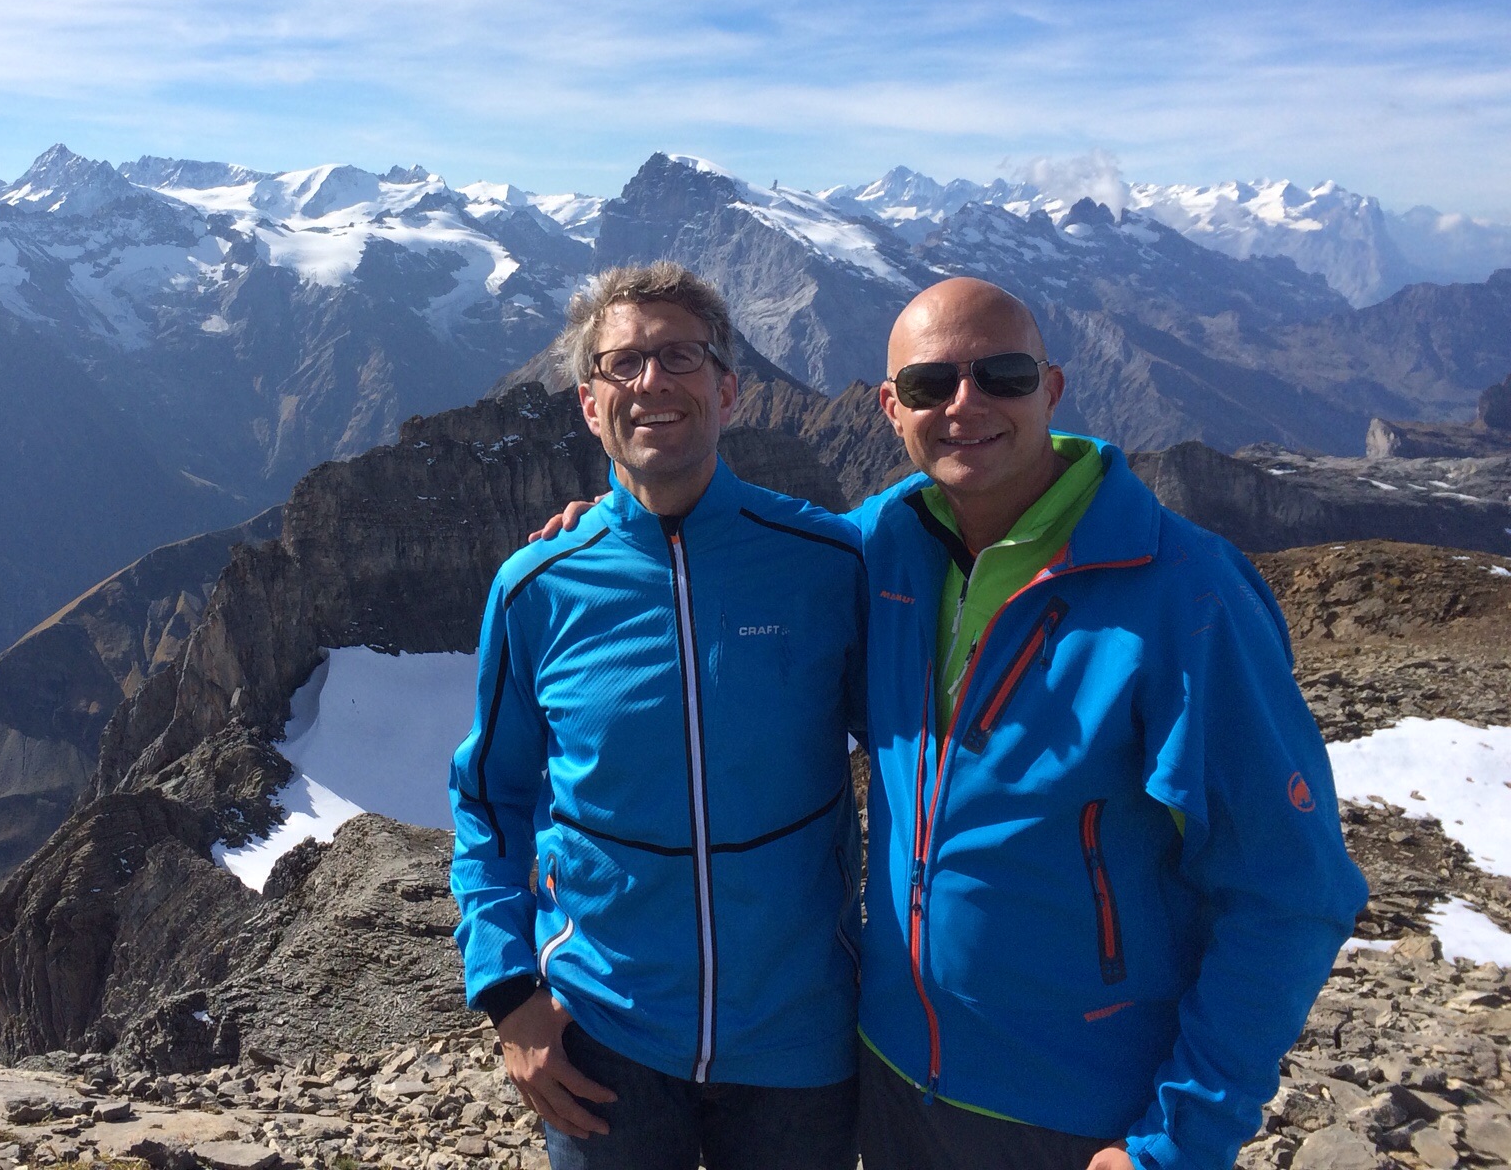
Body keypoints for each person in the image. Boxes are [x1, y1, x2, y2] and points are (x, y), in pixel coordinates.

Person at [531, 275, 1367, 1170]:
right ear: (891, 408)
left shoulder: (1189, 595)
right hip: (892, 1078)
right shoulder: (877, 546)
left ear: (1052, 387)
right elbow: (741, 568)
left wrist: (1179, 1138)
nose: (965, 405)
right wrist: (622, 532)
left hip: (1082, 1109)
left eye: (1001, 375)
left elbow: (1289, 889)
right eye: (931, 387)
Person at [449, 261, 867, 1170]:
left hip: (798, 1035)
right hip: (604, 1038)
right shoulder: (535, 590)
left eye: (679, 356)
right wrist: (507, 993)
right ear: (590, 404)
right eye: (621, 365)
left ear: (729, 389)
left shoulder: (829, 563)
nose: (651, 383)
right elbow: (489, 799)